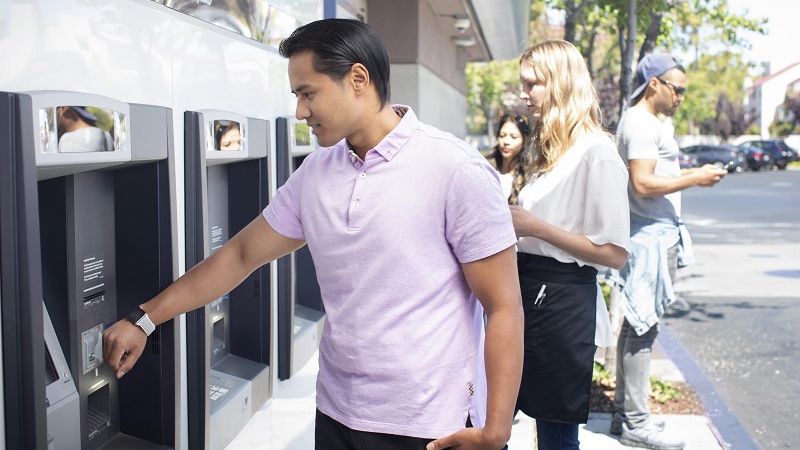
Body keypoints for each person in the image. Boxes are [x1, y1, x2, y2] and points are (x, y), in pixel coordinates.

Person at [102, 19, 523, 450]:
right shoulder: (316, 173)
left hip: (431, 426)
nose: (300, 111)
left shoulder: (454, 170)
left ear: (358, 79)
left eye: (308, 93)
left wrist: (496, 428)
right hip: (337, 415)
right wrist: (146, 318)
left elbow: (503, 305)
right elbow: (242, 254)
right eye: (297, 96)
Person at [509, 40, 630, 450]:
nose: (524, 94)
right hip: (529, 289)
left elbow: (614, 252)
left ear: (561, 84)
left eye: (533, 83)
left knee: (556, 430)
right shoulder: (554, 149)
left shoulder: (597, 153)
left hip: (560, 301)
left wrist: (535, 227)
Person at [611, 52, 726, 450]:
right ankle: (635, 423)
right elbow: (642, 183)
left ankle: (624, 416)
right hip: (649, 238)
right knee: (643, 328)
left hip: (652, 235)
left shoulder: (646, 122)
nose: (681, 96)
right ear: (654, 84)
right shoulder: (641, 123)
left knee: (637, 325)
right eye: (677, 88)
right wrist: (695, 177)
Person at [486, 113, 529, 203]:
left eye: (513, 137)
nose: (506, 142)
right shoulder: (485, 168)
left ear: (524, 141)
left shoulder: (529, 175)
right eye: (502, 136)